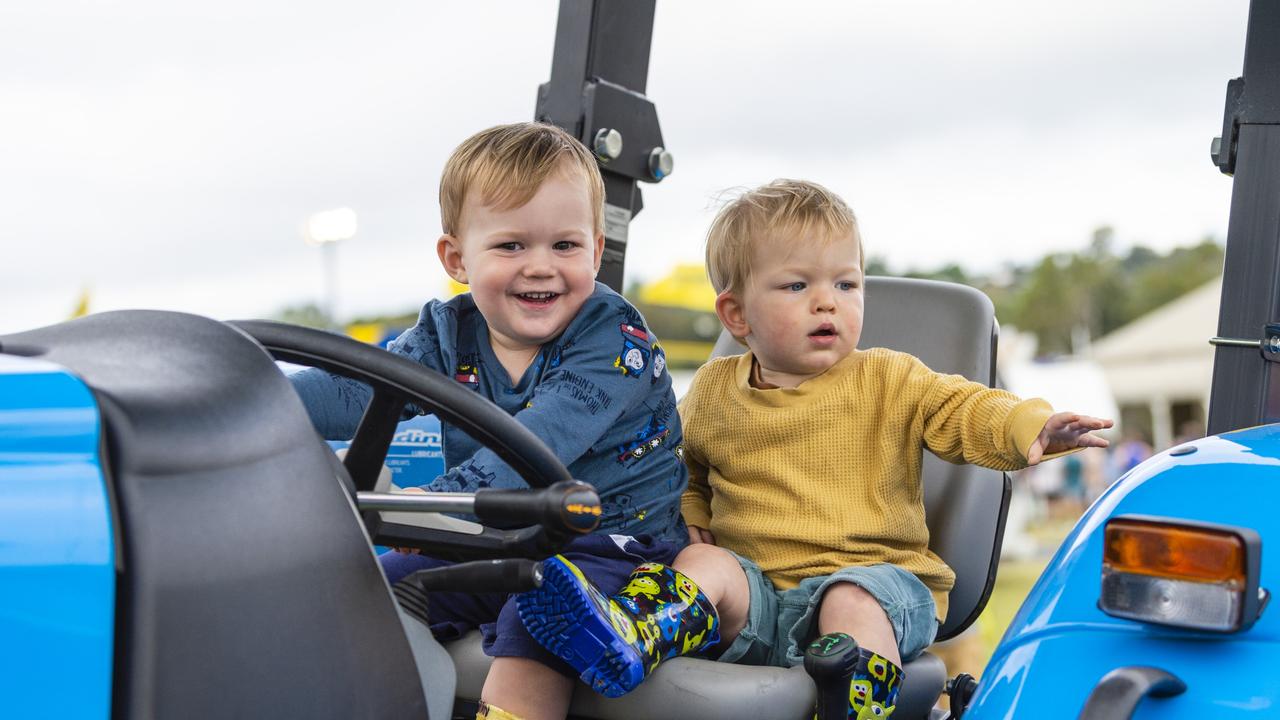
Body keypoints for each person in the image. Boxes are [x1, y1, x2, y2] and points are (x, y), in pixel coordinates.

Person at [517, 179, 1112, 718]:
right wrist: (695, 515)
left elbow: (964, 410)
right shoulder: (716, 389)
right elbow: (681, 469)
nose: (827, 301)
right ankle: (630, 638)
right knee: (703, 565)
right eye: (797, 285)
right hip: (761, 599)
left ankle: (858, 705)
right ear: (736, 314)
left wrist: (1027, 425)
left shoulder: (890, 378)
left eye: (846, 284)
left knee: (852, 601)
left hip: (880, 581)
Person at [289, 122, 689, 720]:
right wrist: (249, 395)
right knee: (366, 590)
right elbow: (356, 389)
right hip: (492, 535)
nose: (540, 267)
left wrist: (423, 506)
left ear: (596, 252)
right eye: (511, 246)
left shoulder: (612, 340)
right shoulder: (447, 336)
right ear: (457, 258)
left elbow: (534, 444)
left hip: (615, 550)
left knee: (539, 623)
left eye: (565, 246)